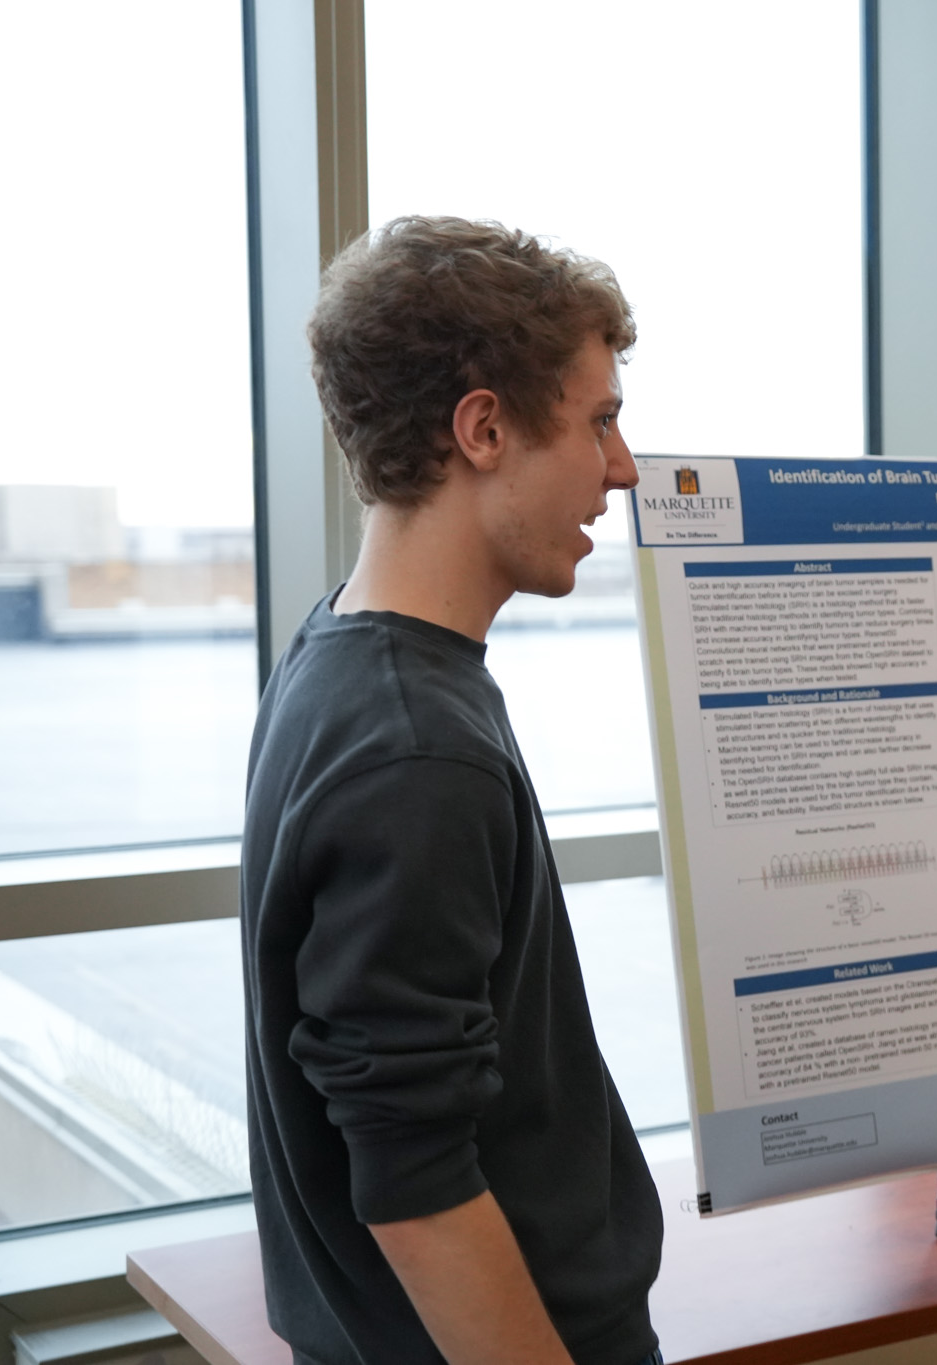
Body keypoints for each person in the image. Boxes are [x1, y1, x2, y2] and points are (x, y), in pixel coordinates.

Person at [241, 216, 662, 1365]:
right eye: (599, 422)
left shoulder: (335, 658)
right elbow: (415, 1181)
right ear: (484, 428)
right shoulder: (415, 748)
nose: (620, 470)